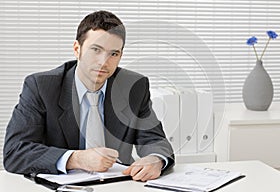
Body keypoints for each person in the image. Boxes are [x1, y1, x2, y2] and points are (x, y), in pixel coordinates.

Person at [3, 10, 174, 182]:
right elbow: (15, 151)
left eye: (113, 54)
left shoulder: (133, 87)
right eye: (96, 50)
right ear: (77, 49)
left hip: (118, 184)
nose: (103, 62)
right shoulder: (41, 86)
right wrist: (76, 158)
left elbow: (154, 139)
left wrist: (156, 159)